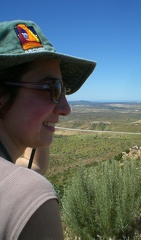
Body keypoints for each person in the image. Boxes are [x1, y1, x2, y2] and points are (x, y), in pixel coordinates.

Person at [0, 20, 96, 239]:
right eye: (52, 89)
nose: (66, 108)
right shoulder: (30, 197)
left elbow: (34, 165)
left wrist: (41, 125)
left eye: (64, 90)